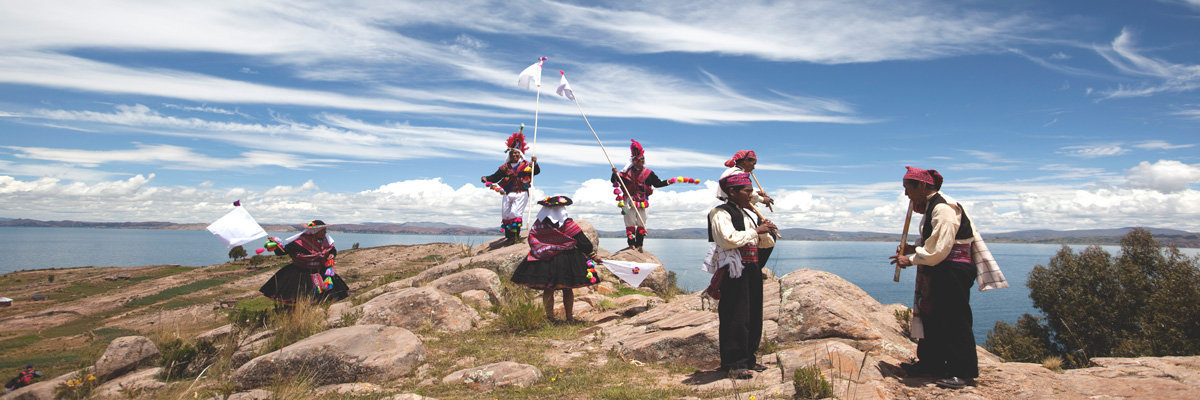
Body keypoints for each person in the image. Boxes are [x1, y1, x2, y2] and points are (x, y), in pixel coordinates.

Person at [889, 166, 979, 389]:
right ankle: (931, 364)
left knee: (955, 319)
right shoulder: (932, 207)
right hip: (941, 270)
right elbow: (934, 242)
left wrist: (910, 260)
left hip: (953, 271)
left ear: (921, 185)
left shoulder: (944, 208)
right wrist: (914, 248)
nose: (906, 194)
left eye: (907, 188)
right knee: (932, 317)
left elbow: (941, 248)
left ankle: (964, 372)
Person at [707, 173, 777, 379]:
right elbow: (728, 239)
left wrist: (766, 232)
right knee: (735, 314)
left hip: (752, 268)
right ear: (732, 192)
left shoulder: (747, 214)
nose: (751, 195)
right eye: (747, 191)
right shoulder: (720, 213)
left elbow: (762, 243)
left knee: (753, 314)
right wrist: (757, 230)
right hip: (734, 270)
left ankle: (749, 358)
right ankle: (734, 363)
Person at [509, 196, 601, 322]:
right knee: (568, 289)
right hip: (567, 259)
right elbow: (581, 240)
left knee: (548, 289)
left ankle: (550, 317)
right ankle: (569, 317)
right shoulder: (567, 224)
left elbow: (532, 239)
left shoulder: (539, 224)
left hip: (545, 259)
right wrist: (592, 254)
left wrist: (543, 248)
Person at [610, 139, 680, 251]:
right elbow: (615, 181)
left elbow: (657, 184)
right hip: (629, 200)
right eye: (640, 159)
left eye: (643, 159)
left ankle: (640, 245)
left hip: (642, 201)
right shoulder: (626, 173)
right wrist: (614, 173)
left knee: (642, 223)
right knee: (630, 222)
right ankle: (631, 244)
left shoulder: (648, 173)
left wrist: (668, 181)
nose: (643, 161)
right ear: (635, 161)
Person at [259, 220, 349, 305]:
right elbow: (282, 252)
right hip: (301, 273)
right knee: (301, 296)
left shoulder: (326, 241)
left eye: (325, 230)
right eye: (323, 231)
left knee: (322, 296)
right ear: (315, 232)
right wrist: (275, 244)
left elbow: (332, 250)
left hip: (321, 271)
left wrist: (332, 255)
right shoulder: (300, 243)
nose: (325, 233)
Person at [718, 150, 779, 267]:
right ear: (745, 161)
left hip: (737, 208)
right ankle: (755, 267)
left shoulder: (733, 172)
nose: (754, 167)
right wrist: (762, 200)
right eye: (753, 163)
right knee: (769, 234)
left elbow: (741, 191)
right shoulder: (737, 173)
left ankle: (751, 266)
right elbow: (738, 192)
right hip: (738, 210)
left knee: (764, 235)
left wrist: (757, 194)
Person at [481, 130, 541, 245]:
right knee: (506, 214)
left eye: (516, 153)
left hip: (521, 192)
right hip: (507, 192)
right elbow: (495, 177)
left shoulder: (527, 165)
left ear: (520, 154)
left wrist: (535, 163)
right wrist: (485, 178)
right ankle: (509, 237)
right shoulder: (505, 167)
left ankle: (515, 236)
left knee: (515, 213)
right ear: (509, 155)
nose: (514, 155)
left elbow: (536, 172)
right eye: (512, 153)